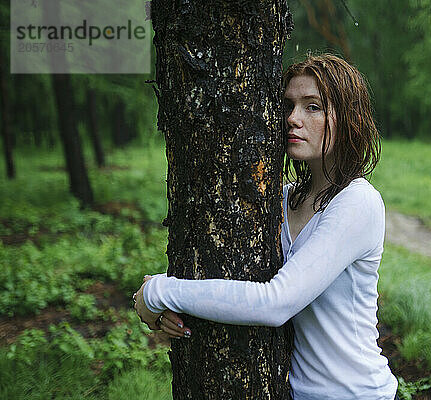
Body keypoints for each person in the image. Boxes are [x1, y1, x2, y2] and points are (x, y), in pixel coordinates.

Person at [133, 53, 399, 400]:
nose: (293, 119)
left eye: (313, 107)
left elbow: (275, 303)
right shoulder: (283, 199)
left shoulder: (358, 203)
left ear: (349, 118)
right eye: (288, 105)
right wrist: (173, 311)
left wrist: (160, 292)